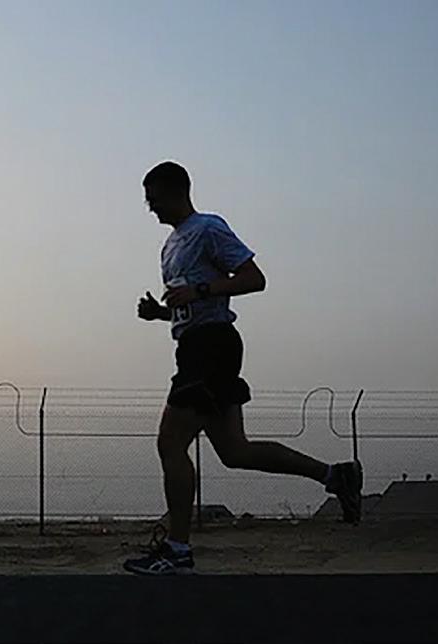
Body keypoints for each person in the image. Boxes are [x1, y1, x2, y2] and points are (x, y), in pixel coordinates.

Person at [123, 162, 362, 576]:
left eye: (154, 198)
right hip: (194, 345)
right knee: (235, 451)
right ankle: (335, 475)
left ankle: (178, 550)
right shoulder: (169, 247)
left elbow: (254, 279)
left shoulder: (208, 228)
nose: (150, 207)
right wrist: (161, 313)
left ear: (177, 191)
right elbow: (192, 304)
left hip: (212, 347)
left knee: (170, 443)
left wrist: (199, 289)